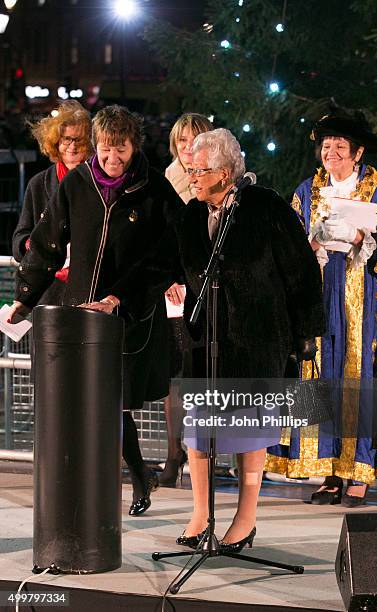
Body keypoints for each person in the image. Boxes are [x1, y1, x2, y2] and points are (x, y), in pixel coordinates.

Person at [114, 128, 324, 548]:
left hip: (257, 342)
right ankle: (200, 515)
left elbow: (301, 273)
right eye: (190, 169)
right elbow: (162, 265)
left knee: (248, 436)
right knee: (198, 436)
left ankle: (245, 520)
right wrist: (119, 296)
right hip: (203, 342)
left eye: (199, 170)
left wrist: (306, 336)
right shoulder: (192, 214)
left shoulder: (266, 207)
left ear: (226, 173)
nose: (191, 177)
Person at [9, 105, 183, 516]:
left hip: (127, 314)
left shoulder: (154, 189)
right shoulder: (78, 184)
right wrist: (26, 296)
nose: (112, 158)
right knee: (83, 402)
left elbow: (167, 255)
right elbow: (47, 241)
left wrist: (119, 297)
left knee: (114, 402)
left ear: (132, 146)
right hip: (78, 312)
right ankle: (112, 481)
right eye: (106, 149)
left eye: (120, 149)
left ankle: (137, 476)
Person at [266, 108, 377, 507]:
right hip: (319, 298)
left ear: (358, 152)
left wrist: (364, 236)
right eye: (326, 146)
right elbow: (288, 245)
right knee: (317, 377)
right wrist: (310, 245)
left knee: (357, 378)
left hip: (363, 306)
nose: (331, 153)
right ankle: (327, 470)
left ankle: (358, 470)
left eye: (340, 146)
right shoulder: (305, 192)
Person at [160, 112, 213, 487]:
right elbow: (155, 240)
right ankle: (174, 454)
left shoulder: (223, 177)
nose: (188, 148)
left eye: (195, 140)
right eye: (182, 141)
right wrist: (168, 278)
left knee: (207, 374)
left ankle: (206, 454)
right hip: (175, 292)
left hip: (208, 288)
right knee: (175, 378)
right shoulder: (165, 183)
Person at [12, 100, 92, 303]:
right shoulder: (38, 184)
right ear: (56, 141)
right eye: (66, 139)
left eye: (79, 140)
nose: (72, 146)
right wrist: (33, 246)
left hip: (90, 290)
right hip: (48, 291)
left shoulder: (100, 183)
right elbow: (19, 238)